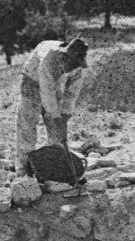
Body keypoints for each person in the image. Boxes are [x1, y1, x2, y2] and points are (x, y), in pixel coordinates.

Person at [16, 37, 88, 173]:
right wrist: (57, 118)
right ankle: (24, 167)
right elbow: (46, 92)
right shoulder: (48, 60)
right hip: (32, 81)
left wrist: (65, 115)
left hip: (55, 86)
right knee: (28, 124)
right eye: (71, 64)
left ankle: (56, 168)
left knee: (57, 131)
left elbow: (71, 93)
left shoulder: (78, 66)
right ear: (65, 57)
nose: (74, 67)